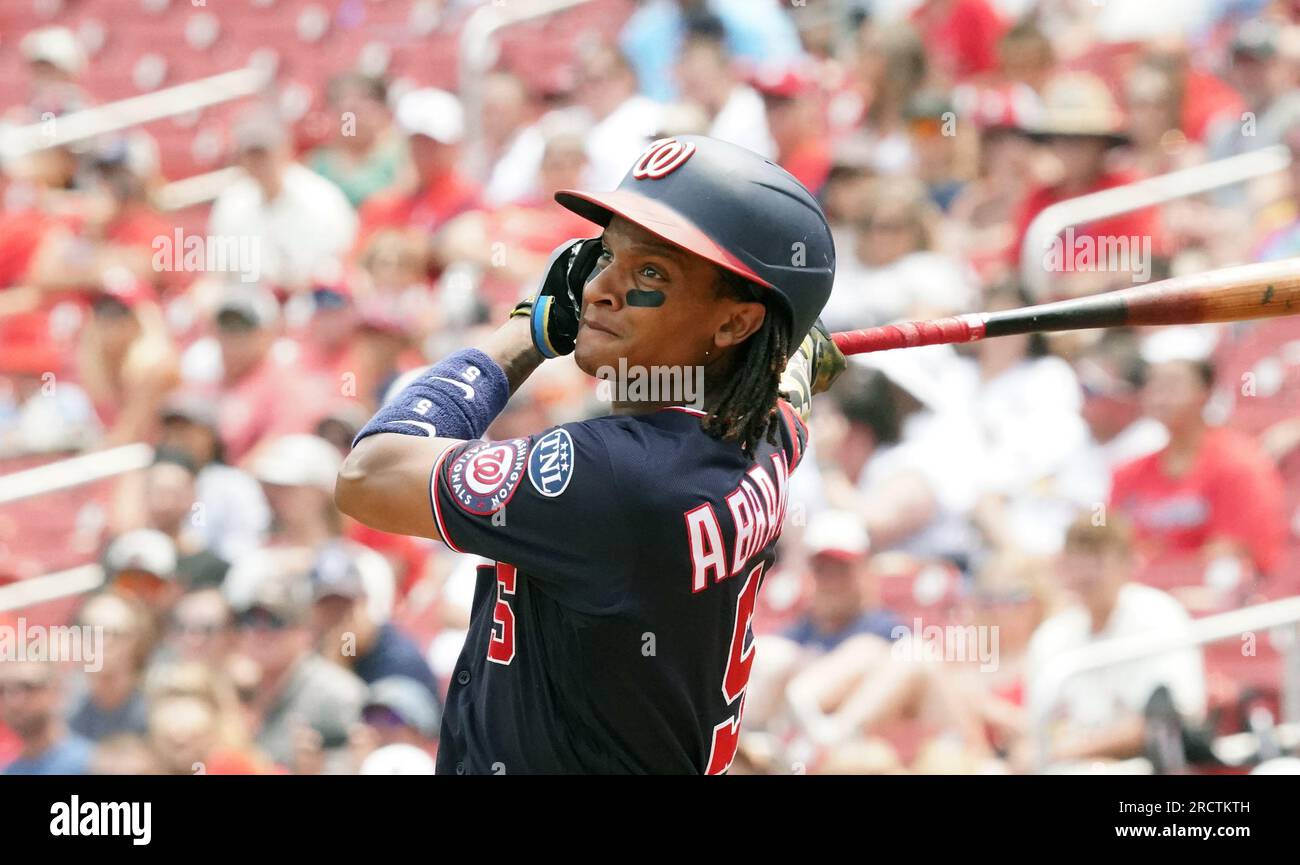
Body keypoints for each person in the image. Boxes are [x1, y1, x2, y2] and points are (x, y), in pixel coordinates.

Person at [335, 134, 844, 774]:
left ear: (735, 322)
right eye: (606, 257)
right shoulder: (766, 434)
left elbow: (368, 474)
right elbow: (783, 401)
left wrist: (527, 329)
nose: (600, 289)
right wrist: (781, 363)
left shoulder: (612, 473)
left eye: (651, 274)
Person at [1020, 515, 1206, 771]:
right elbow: (1038, 728)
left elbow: (1165, 721)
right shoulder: (1052, 635)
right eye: (1077, 561)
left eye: (1097, 561)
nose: (1086, 574)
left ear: (1127, 564)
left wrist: (1066, 752)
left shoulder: (1158, 614)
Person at [1110, 356, 1287, 589]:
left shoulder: (1240, 464)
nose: (1159, 395)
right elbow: (1111, 547)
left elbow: (1235, 554)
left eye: (1172, 385)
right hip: (1142, 598)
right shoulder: (1128, 472)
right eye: (1152, 385)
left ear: (1205, 393)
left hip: (1216, 599)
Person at [208, 107, 357, 291]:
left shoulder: (322, 197)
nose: (258, 162)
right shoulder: (231, 202)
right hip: (252, 301)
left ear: (285, 150)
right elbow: (219, 271)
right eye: (250, 154)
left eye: (263, 154)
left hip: (315, 298)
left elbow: (342, 263)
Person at [783, 510, 901, 652]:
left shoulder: (885, 631)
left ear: (864, 571)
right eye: (822, 570)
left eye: (842, 570)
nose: (832, 582)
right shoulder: (798, 634)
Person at [0, 661, 93, 775]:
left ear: (56, 690)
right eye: (2, 690)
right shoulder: (7, 770)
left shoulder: (92, 766)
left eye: (27, 687)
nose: (13, 702)